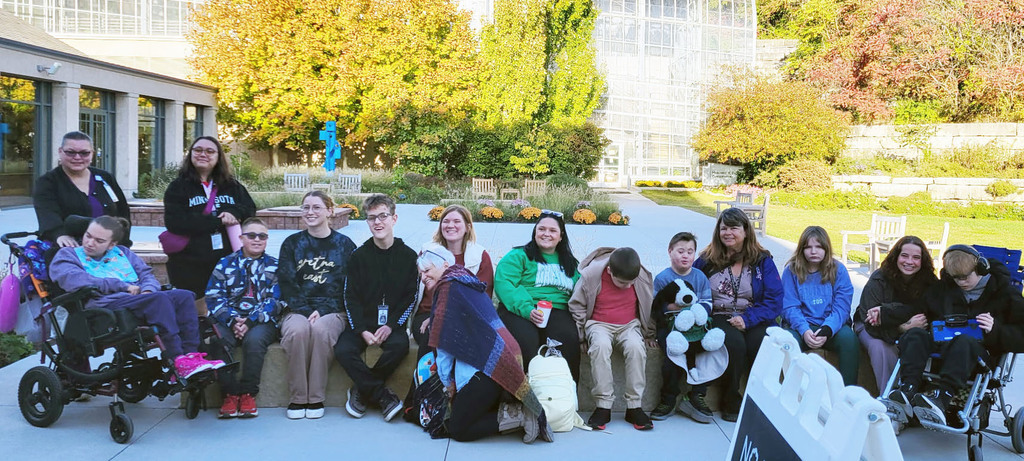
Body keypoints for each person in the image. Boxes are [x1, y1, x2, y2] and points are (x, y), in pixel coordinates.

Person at [48, 216, 224, 379]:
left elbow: (146, 274)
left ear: (112, 245)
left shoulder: (122, 253)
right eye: (88, 236)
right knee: (159, 300)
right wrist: (122, 286)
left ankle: (191, 355)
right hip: (103, 305)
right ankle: (176, 359)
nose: (90, 243)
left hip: (137, 300)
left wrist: (148, 290)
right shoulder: (67, 255)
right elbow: (77, 281)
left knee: (184, 296)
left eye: (99, 240)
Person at [877, 245, 1024, 426]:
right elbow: (916, 308)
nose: (961, 282)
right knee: (915, 335)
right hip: (942, 347)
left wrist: (996, 329)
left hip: (978, 354)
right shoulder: (944, 289)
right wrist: (885, 313)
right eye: (956, 278)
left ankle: (942, 398)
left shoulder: (1005, 294)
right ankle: (907, 390)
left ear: (980, 269)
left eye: (965, 277)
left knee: (964, 341)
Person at [419, 247, 553, 443]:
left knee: (458, 429)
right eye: (421, 273)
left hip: (485, 370)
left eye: (427, 270)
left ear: (445, 265)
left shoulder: (447, 289)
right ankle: (513, 412)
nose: (423, 277)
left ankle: (520, 416)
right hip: (504, 361)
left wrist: (448, 386)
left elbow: (444, 346)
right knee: (461, 417)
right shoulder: (466, 282)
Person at [694, 207, 783, 422]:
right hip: (718, 314)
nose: (728, 232)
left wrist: (748, 319)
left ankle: (763, 399)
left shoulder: (762, 261)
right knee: (734, 343)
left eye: (734, 227)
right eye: (723, 228)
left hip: (754, 315)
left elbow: (775, 299)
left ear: (745, 231)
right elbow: (691, 287)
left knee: (763, 341)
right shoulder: (707, 260)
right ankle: (730, 401)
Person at [337, 194, 417, 421]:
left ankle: (361, 391)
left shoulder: (408, 256)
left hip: (391, 325)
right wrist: (361, 329)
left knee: (399, 346)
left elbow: (409, 298)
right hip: (363, 324)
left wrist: (391, 326)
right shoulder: (358, 256)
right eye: (372, 218)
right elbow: (349, 297)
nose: (377, 222)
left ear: (394, 218)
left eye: (383, 216)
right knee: (343, 349)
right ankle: (382, 395)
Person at [277, 191, 356, 419]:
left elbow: (348, 285)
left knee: (321, 331)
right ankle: (298, 398)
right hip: (297, 309)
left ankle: (315, 398)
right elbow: (287, 282)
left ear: (330, 211)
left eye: (316, 207)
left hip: (334, 310)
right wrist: (304, 310)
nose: (310, 212)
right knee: (297, 331)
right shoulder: (292, 244)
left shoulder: (344, 245)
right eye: (306, 207)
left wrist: (322, 311)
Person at [163, 136, 256, 314]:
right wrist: (217, 221)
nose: (203, 154)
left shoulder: (232, 186)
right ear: (190, 154)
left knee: (225, 310)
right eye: (198, 150)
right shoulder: (178, 187)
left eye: (209, 151)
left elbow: (249, 209)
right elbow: (175, 222)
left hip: (225, 261)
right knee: (194, 314)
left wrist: (234, 213)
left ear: (218, 156)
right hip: (188, 264)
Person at [568, 247, 655, 431]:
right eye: (622, 283)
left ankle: (634, 406)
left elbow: (648, 306)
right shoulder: (592, 276)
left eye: (631, 282)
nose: (628, 286)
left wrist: (649, 334)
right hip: (599, 323)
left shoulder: (639, 276)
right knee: (600, 346)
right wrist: (582, 337)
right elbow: (577, 306)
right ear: (609, 271)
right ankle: (603, 405)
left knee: (636, 348)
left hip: (629, 324)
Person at [205, 217, 281, 419]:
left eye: (262, 236)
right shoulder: (225, 263)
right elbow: (214, 297)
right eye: (251, 235)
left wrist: (250, 321)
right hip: (228, 319)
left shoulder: (274, 266)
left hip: (260, 321)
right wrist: (232, 320)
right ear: (241, 238)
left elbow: (277, 300)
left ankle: (248, 393)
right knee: (219, 341)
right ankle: (229, 394)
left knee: (255, 340)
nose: (257, 240)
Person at [494, 210, 582, 382]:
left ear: (561, 236)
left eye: (552, 230)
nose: (546, 234)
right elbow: (505, 284)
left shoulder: (571, 263)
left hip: (557, 310)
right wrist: (528, 310)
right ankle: (518, 399)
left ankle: (563, 400)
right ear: (535, 231)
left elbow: (581, 291)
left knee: (567, 342)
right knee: (525, 342)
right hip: (521, 309)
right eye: (541, 229)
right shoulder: (518, 256)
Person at [853, 236, 936, 394]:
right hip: (869, 327)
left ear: (923, 261)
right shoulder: (879, 280)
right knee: (882, 348)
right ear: (896, 256)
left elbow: (927, 314)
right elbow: (871, 325)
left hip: (911, 330)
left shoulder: (929, 282)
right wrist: (902, 328)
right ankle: (889, 397)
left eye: (916, 257)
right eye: (904, 255)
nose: (909, 262)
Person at [412, 204, 494, 358]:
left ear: (468, 227)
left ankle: (453, 382)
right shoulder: (427, 251)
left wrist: (444, 316)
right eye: (446, 221)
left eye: (457, 221)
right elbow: (414, 286)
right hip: (426, 315)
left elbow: (482, 299)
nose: (450, 225)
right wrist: (434, 317)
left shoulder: (479, 256)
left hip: (466, 317)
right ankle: (425, 381)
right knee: (433, 335)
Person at [650, 232, 716, 423]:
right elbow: (655, 306)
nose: (685, 255)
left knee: (709, 352)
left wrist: (697, 311)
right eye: (680, 251)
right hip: (670, 328)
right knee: (673, 356)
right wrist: (670, 307)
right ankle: (668, 399)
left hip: (696, 326)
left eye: (690, 251)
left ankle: (697, 395)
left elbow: (707, 302)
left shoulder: (700, 277)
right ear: (670, 252)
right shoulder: (663, 278)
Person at [781, 226, 858, 385]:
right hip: (802, 325)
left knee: (849, 339)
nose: (813, 251)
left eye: (819, 247)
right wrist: (804, 330)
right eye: (808, 247)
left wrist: (827, 330)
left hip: (831, 326)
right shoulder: (791, 271)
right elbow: (789, 307)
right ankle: (793, 390)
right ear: (801, 250)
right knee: (788, 341)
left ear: (826, 249)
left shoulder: (838, 270)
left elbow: (842, 308)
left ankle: (848, 391)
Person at [33, 131, 131, 248]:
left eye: (84, 153)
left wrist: (123, 242)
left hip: (109, 249)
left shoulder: (105, 178)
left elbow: (123, 212)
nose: (77, 157)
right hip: (69, 249)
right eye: (70, 152)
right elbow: (47, 214)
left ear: (92, 154)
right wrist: (59, 235)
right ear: (60, 151)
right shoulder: (47, 182)